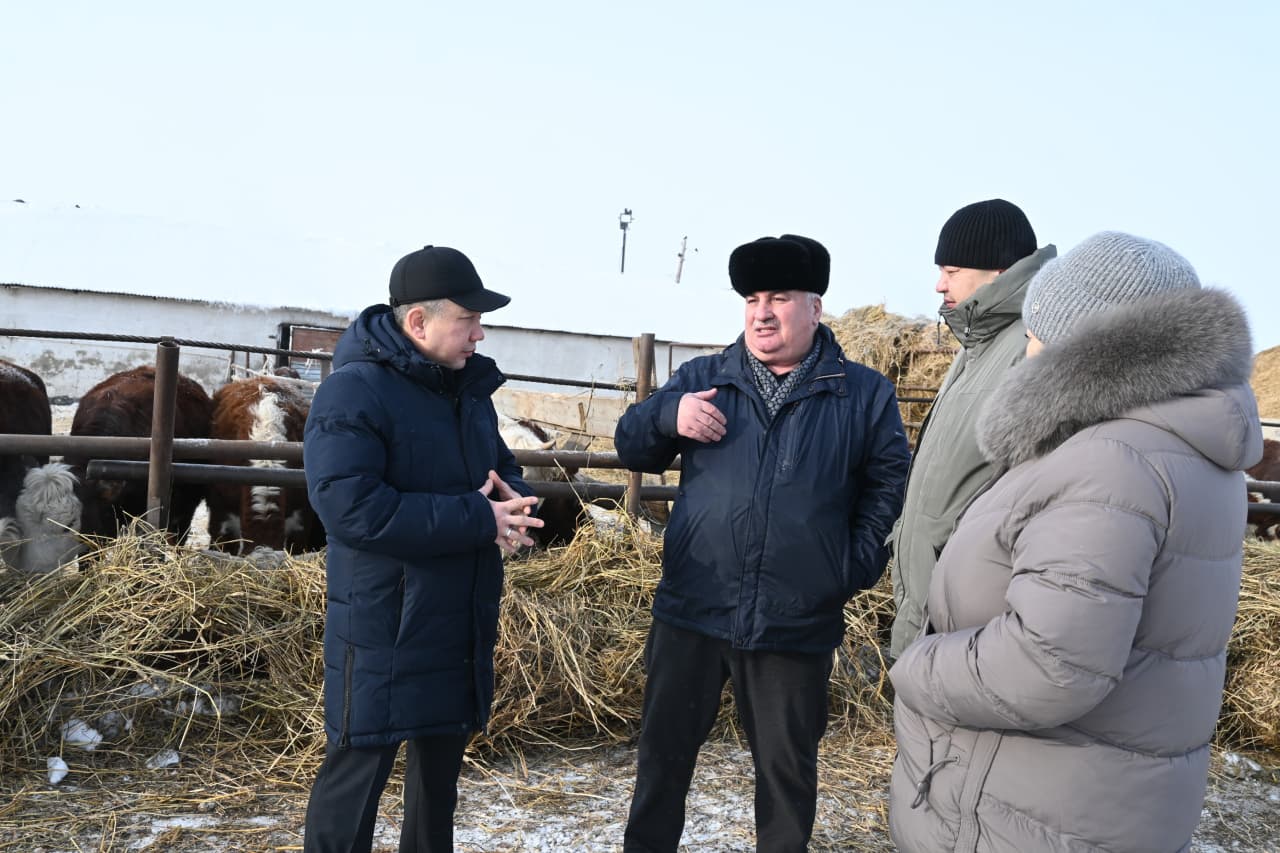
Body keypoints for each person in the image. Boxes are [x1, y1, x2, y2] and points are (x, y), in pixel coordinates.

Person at [888, 231, 1261, 852]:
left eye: (1037, 334)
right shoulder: (1180, 446)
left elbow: (1049, 666)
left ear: (1085, 352)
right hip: (1088, 801)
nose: (1026, 352)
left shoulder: (1111, 462)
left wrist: (918, 663)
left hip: (1028, 813)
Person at [616, 234, 911, 852]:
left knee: (785, 775)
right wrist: (666, 418)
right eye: (752, 298)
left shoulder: (862, 394)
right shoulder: (704, 378)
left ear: (816, 308)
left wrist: (844, 568)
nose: (762, 312)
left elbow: (888, 490)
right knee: (662, 763)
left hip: (793, 619)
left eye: (780, 296)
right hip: (693, 610)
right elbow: (632, 444)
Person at [301, 244, 544, 853]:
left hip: (457, 614)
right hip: (386, 619)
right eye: (468, 320)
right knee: (357, 774)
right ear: (419, 323)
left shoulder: (466, 392)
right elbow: (350, 508)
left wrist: (513, 501)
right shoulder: (354, 392)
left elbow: (500, 468)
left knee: (438, 787)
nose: (479, 334)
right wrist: (477, 517)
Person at [888, 198, 1057, 659]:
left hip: (969, 617)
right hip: (930, 605)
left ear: (999, 272)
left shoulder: (1032, 346)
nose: (939, 283)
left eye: (952, 269)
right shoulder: (977, 343)